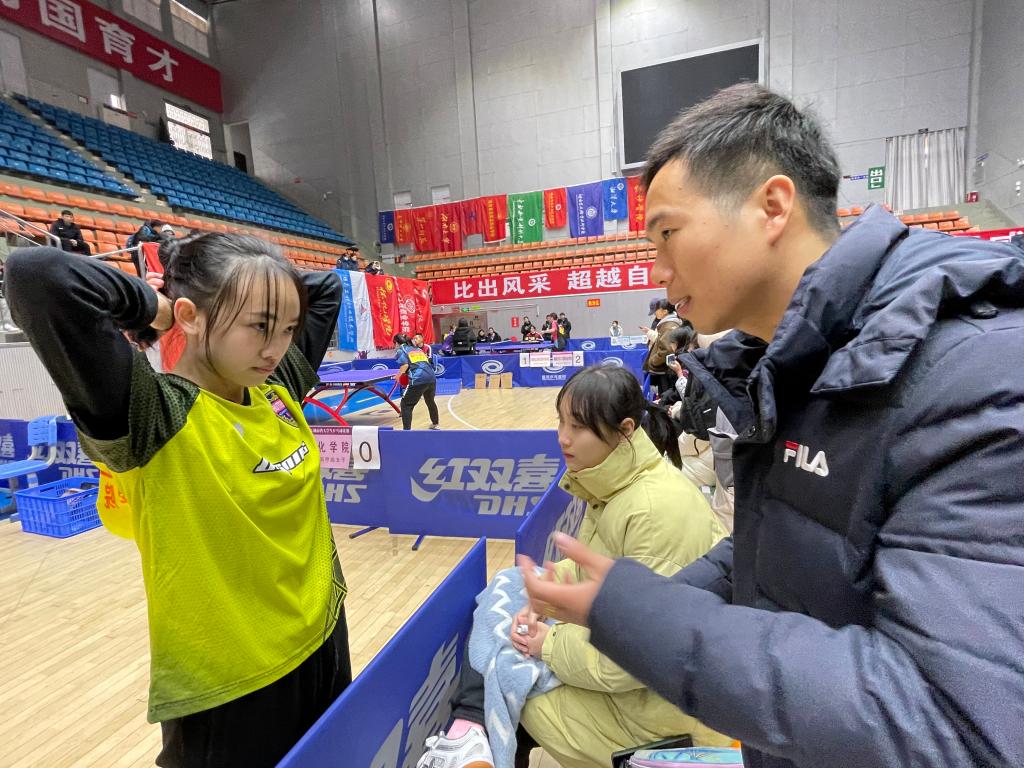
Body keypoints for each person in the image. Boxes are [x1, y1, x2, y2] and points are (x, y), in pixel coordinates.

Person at [520, 83, 1024, 768]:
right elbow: (780, 547)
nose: (658, 270)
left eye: (668, 233)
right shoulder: (792, 364)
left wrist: (638, 615)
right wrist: (627, 600)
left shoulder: (976, 373)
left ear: (772, 206)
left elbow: (949, 722)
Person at [6, 233, 351, 767]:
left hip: (324, 634)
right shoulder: (150, 414)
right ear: (190, 316)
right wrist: (162, 309)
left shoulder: (276, 385)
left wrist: (251, 284)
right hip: (233, 684)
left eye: (286, 329)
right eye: (259, 326)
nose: (276, 347)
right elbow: (37, 275)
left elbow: (326, 288)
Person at [418, 365, 730, 768]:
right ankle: (472, 731)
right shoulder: (618, 484)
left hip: (664, 717)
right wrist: (546, 594)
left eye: (578, 427)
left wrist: (547, 643)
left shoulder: (653, 512)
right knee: (512, 585)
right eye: (561, 421)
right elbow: (599, 572)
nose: (563, 437)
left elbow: (635, 656)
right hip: (645, 685)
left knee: (511, 677)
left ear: (625, 430)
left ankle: (471, 732)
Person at [394, 332, 439, 430]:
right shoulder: (418, 349)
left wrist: (397, 376)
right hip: (431, 378)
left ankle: (406, 432)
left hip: (418, 379)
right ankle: (435, 423)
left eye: (394, 343)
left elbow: (405, 365)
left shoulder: (401, 350)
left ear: (397, 343)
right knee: (430, 401)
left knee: (405, 404)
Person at [641, 298, 682, 394]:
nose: (655, 312)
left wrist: (653, 361)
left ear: (665, 311)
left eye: (657, 309)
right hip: (665, 368)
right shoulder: (666, 323)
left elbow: (667, 350)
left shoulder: (668, 326)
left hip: (665, 370)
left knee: (666, 396)